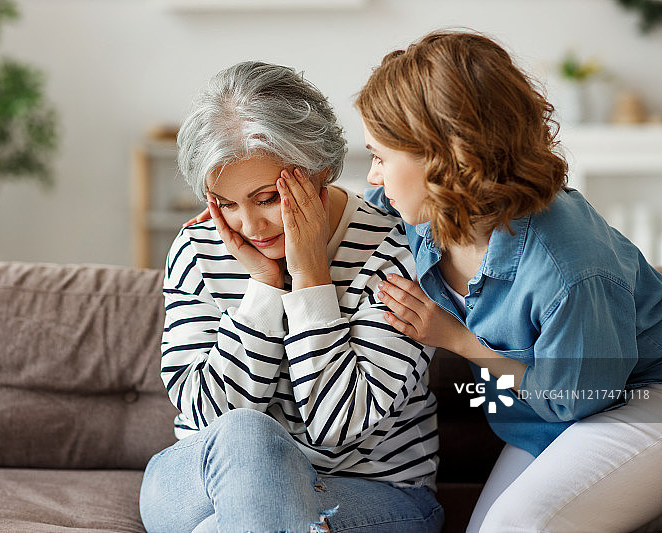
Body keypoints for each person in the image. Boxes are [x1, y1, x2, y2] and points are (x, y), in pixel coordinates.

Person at [357, 30, 662, 532]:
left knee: (520, 524)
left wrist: (457, 340)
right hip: (541, 415)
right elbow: (346, 219)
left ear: (441, 159)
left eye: (380, 157)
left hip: (634, 401)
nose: (372, 176)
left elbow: (575, 402)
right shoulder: (421, 209)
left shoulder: (570, 268)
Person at [138, 61, 444, 533]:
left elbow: (337, 425)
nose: (249, 227)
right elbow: (207, 418)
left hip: (365, 488)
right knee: (242, 433)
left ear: (320, 170)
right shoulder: (199, 245)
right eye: (226, 203)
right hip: (200, 482)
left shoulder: (393, 251)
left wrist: (310, 280)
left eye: (266, 198)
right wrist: (263, 289)